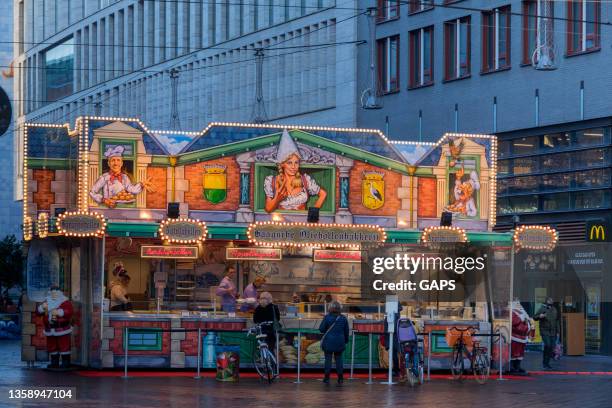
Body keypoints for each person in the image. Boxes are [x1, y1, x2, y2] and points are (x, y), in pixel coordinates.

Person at [264, 129, 327, 212]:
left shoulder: (305, 180)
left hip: (302, 223)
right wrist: (277, 198)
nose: (293, 167)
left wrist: (313, 214)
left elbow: (323, 194)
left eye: (296, 163)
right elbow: (268, 209)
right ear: (282, 164)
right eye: (289, 163)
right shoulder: (271, 181)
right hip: (281, 223)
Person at [89, 145, 155, 208]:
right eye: (113, 160)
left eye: (118, 160)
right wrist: (104, 200)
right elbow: (92, 192)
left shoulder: (125, 177)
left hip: (124, 207)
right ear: (109, 163)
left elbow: (132, 190)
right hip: (108, 208)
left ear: (121, 163)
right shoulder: (104, 177)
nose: (115, 163)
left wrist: (142, 184)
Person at [36, 286, 74, 369]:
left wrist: (60, 312)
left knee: (64, 345)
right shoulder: (47, 302)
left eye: (55, 293)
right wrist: (41, 309)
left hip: (62, 328)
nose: (53, 295)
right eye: (51, 293)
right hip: (49, 329)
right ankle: (54, 362)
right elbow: (39, 313)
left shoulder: (65, 302)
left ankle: (66, 362)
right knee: (52, 345)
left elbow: (69, 311)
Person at [319, 300, 349, 384]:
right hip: (340, 341)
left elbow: (321, 329)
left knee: (328, 360)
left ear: (330, 308)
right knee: (339, 360)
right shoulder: (343, 318)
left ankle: (327, 378)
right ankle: (340, 378)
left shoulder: (327, 317)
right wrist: (346, 340)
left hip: (328, 342)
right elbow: (346, 331)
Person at [534, 297, 560, 370]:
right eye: (549, 300)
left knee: (551, 347)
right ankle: (545, 363)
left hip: (553, 331)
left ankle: (547, 363)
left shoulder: (554, 309)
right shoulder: (542, 308)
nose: (551, 301)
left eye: (552, 300)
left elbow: (557, 321)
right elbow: (534, 317)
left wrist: (558, 332)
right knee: (548, 345)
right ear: (546, 301)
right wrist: (540, 316)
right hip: (544, 331)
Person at [510, 300, 533, 375]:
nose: (518, 303)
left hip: (522, 337)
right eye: (516, 301)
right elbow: (514, 321)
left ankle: (518, 366)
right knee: (514, 352)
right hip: (515, 336)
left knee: (520, 352)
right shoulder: (511, 311)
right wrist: (523, 319)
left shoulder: (521, 310)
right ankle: (512, 367)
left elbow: (527, 319)